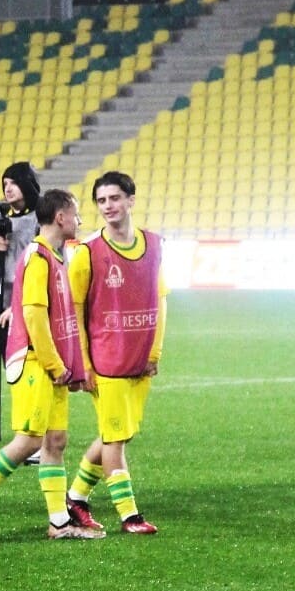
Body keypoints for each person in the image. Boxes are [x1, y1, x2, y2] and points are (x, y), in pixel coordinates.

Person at [0, 189, 102, 541]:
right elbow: (34, 315)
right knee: (30, 441)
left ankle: (59, 522)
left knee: (56, 441)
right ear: (60, 217)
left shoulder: (56, 256)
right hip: (36, 362)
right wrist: (54, 364)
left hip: (53, 366)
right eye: (75, 214)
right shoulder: (38, 257)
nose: (79, 221)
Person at [64, 172, 166, 534]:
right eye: (102, 200)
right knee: (116, 438)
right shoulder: (87, 253)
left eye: (115, 198)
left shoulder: (154, 245)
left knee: (116, 434)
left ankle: (75, 497)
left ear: (131, 201)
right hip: (106, 364)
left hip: (139, 362)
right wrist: (84, 364)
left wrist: (154, 350)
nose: (108, 206)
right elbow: (74, 310)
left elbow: (160, 297)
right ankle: (129, 515)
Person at [0, 161, 43, 462]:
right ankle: (25, 436)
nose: (8, 188)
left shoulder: (40, 219)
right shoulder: (3, 219)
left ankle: (36, 437)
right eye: (4, 183)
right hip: (2, 302)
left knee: (31, 370)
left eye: (14, 182)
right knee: (14, 371)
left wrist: (19, 304)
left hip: (27, 303)